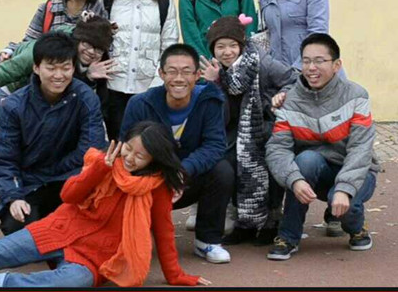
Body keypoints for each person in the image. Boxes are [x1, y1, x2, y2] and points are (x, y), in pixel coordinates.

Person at [0, 122, 211, 288]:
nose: (129, 158)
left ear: (154, 160)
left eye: (139, 156)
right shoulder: (103, 162)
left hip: (94, 258)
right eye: (128, 148)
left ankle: (5, 283)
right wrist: (99, 168)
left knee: (72, 282)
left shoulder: (155, 188)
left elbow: (164, 231)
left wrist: (175, 275)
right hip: (56, 229)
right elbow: (69, 195)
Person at [265, 33, 380, 261]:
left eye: (319, 61)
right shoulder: (290, 101)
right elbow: (277, 148)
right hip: (317, 170)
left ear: (336, 65)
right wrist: (294, 179)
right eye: (306, 61)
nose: (311, 68)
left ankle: (357, 228)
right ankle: (288, 236)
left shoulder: (356, 95)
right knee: (305, 161)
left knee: (346, 204)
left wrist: (344, 188)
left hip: (358, 172)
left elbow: (360, 148)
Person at [0, 31, 106, 238]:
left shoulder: (85, 98)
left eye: (65, 68)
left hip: (70, 178)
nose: (58, 75)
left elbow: (91, 149)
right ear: (36, 67)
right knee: (17, 227)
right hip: (30, 183)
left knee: (88, 223)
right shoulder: (14, 106)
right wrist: (13, 196)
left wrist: (58, 171)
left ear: (73, 67)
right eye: (51, 68)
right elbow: (3, 158)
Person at [120, 44, 232, 264]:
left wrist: (182, 171)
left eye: (186, 71)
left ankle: (207, 240)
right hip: (150, 181)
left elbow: (215, 146)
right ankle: (133, 234)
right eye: (172, 71)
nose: (179, 78)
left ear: (197, 75)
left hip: (187, 180)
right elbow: (126, 148)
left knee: (223, 170)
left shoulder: (210, 101)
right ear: (161, 73)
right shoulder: (140, 104)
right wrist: (160, 174)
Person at [199, 15, 298, 246]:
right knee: (231, 166)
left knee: (270, 167)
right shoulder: (214, 71)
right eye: (220, 46)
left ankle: (271, 220)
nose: (227, 52)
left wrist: (281, 95)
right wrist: (215, 82)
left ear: (241, 45)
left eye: (232, 45)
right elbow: (218, 111)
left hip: (264, 125)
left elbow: (293, 79)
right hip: (233, 129)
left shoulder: (262, 62)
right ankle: (246, 222)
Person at [0, 15, 114, 117]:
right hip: (9, 93)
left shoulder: (94, 61)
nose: (92, 52)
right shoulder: (38, 53)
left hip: (37, 99)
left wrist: (89, 76)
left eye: (98, 49)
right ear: (78, 40)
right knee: (11, 147)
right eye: (87, 45)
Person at [0, 0, 108, 125]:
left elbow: (101, 52)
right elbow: (30, 42)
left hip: (79, 83)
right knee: (0, 94)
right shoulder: (47, 9)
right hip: (44, 83)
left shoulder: (101, 14)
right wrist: (9, 51)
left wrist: (88, 74)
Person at [103, 0, 179, 140]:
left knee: (147, 143)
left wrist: (158, 80)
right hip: (114, 87)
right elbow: (100, 39)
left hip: (149, 87)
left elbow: (169, 43)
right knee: (118, 143)